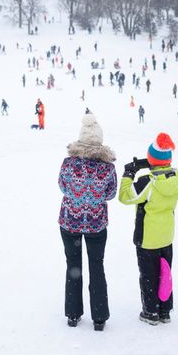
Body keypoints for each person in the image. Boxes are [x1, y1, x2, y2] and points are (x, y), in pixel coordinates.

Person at [58, 114, 117, 331]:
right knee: (97, 266)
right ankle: (99, 317)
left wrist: (77, 197)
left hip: (70, 222)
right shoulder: (108, 168)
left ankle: (73, 314)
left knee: (73, 266)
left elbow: (63, 187)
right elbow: (111, 194)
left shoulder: (68, 163)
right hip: (96, 224)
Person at [119, 133, 178, 325]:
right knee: (165, 273)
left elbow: (125, 196)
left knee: (148, 275)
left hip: (147, 237)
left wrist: (129, 175)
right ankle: (164, 311)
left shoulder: (148, 181)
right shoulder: (176, 177)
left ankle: (150, 311)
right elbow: (162, 173)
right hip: (166, 234)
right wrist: (154, 165)